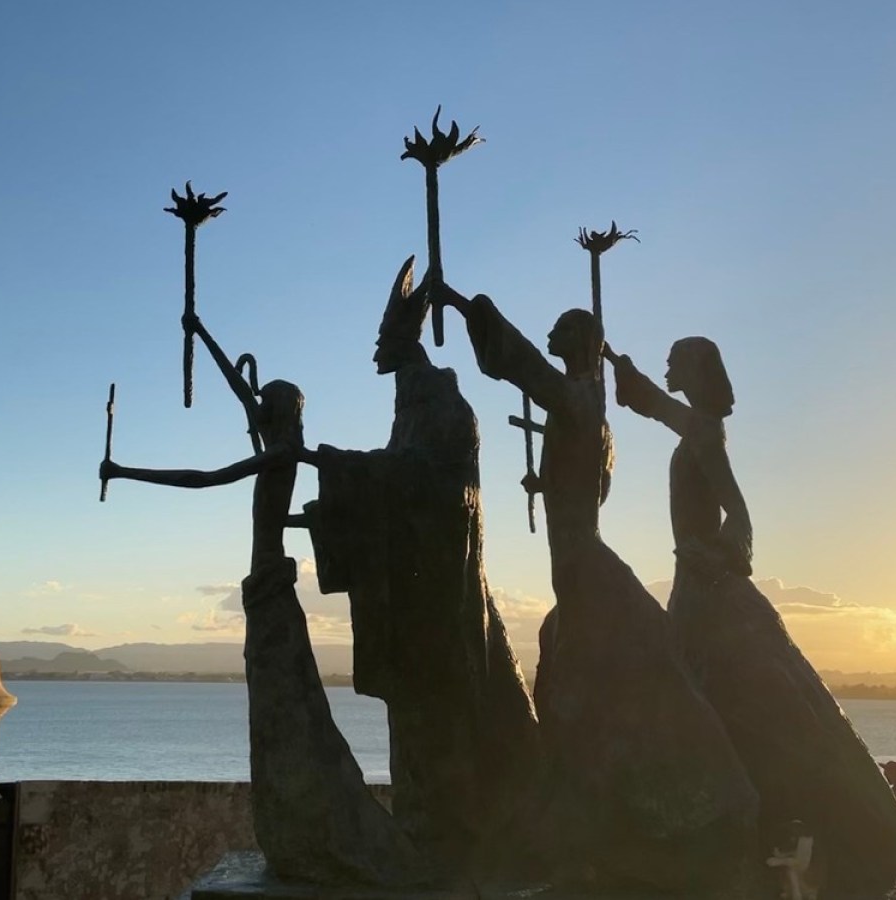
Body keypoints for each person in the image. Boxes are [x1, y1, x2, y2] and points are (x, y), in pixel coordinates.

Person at [435, 284, 757, 891]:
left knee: (606, 677)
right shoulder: (586, 405)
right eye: (550, 331)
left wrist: (469, 306)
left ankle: (664, 810)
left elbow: (528, 370)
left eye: (561, 330)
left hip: (584, 561)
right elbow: (590, 477)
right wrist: (548, 483)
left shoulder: (580, 397)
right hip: (574, 562)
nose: (552, 337)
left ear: (578, 341)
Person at [101, 325, 428, 887]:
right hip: (267, 589)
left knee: (283, 704)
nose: (254, 416)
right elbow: (243, 395)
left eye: (262, 409)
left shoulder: (279, 454)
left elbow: (203, 478)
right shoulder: (279, 444)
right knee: (282, 704)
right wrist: (202, 334)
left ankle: (306, 825)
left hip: (271, 592)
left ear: (274, 416)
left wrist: (127, 471)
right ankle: (295, 823)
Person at [608, 338, 896, 893]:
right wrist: (621, 372)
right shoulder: (696, 427)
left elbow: (738, 509)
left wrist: (717, 553)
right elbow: (656, 406)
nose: (668, 366)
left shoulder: (702, 432)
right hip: (693, 590)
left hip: (707, 594)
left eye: (676, 360)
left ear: (697, 370)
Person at [301, 258, 539, 876]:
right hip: (419, 607)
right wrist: (343, 479)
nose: (378, 355)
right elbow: (396, 470)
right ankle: (425, 828)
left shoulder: (444, 410)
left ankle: (445, 834)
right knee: (415, 721)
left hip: (439, 609)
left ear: (404, 347)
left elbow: (427, 486)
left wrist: (338, 466)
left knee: (438, 720)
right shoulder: (415, 404)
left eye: (387, 341)